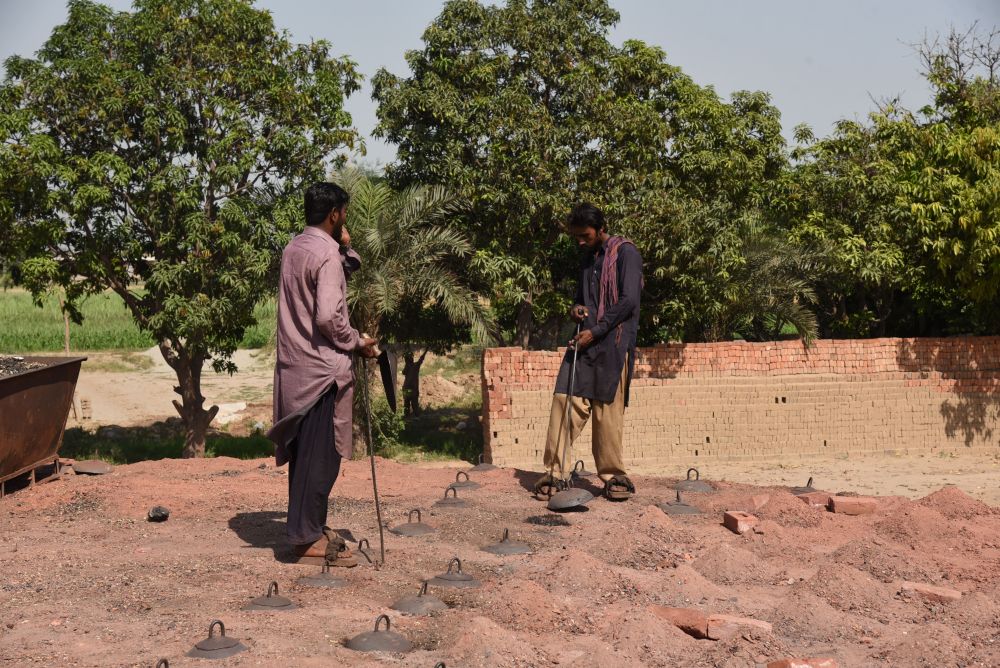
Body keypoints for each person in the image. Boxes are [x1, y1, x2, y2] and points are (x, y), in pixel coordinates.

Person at [267, 182, 377, 563]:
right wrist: (356, 341)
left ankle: (307, 528)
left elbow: (340, 270)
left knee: (305, 457)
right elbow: (329, 316)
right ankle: (306, 538)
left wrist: (344, 247)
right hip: (322, 375)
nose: (345, 219)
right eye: (344, 213)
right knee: (322, 460)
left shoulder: (294, 248)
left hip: (295, 371)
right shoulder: (326, 255)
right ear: (334, 215)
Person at [536, 202, 643, 501]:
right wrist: (576, 309)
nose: (581, 241)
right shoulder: (587, 258)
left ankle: (612, 475)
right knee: (564, 401)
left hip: (613, 345)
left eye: (586, 235)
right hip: (583, 344)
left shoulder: (626, 254)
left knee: (607, 414)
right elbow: (580, 298)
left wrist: (596, 331)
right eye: (577, 237)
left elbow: (629, 301)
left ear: (601, 229)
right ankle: (555, 473)